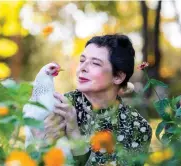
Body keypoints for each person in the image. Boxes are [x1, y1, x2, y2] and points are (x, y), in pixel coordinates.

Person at [43, 34, 152, 165]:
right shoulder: (60, 106)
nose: (82, 68)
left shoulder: (137, 127)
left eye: (95, 63)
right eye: (82, 60)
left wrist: (73, 130)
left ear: (118, 76)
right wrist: (43, 142)